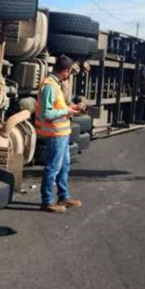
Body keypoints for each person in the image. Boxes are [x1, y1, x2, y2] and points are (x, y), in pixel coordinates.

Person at [35, 55, 83, 213]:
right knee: (53, 167)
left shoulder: (55, 84)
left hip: (62, 132)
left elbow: (57, 106)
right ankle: (47, 201)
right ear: (66, 71)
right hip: (55, 133)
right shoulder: (49, 86)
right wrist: (67, 111)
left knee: (64, 166)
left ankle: (63, 196)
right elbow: (47, 113)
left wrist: (71, 108)